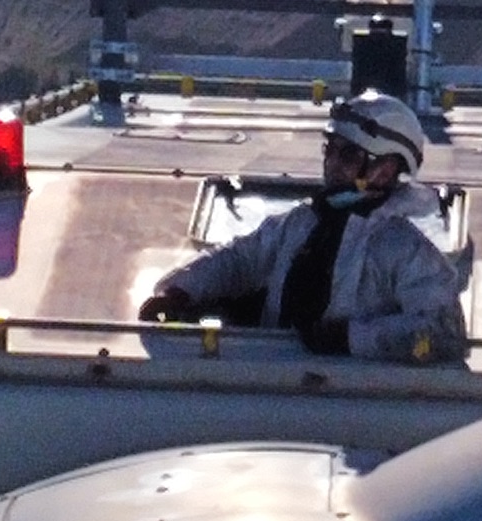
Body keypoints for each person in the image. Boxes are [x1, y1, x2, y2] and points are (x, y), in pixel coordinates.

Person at [141, 91, 465, 362]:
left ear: (386, 168)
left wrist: (350, 338)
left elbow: (443, 329)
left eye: (348, 154)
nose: (332, 164)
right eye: (331, 150)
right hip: (278, 378)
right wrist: (180, 291)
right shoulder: (302, 222)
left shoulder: (403, 248)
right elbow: (240, 260)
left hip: (350, 393)